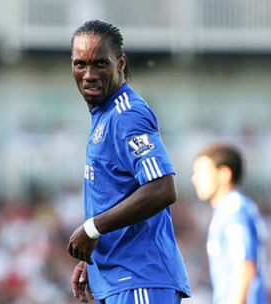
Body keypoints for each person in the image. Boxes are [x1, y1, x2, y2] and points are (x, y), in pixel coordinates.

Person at [66, 20, 191, 304]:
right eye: (80, 64)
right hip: (121, 278)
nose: (88, 74)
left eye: (100, 64)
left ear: (120, 63)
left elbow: (162, 188)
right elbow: (118, 193)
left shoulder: (127, 115)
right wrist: (93, 257)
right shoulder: (105, 114)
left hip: (139, 279)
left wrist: (92, 228)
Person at [191, 143, 268, 304]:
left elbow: (244, 266)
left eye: (201, 172)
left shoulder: (233, 209)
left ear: (224, 174)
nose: (194, 179)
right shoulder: (227, 209)